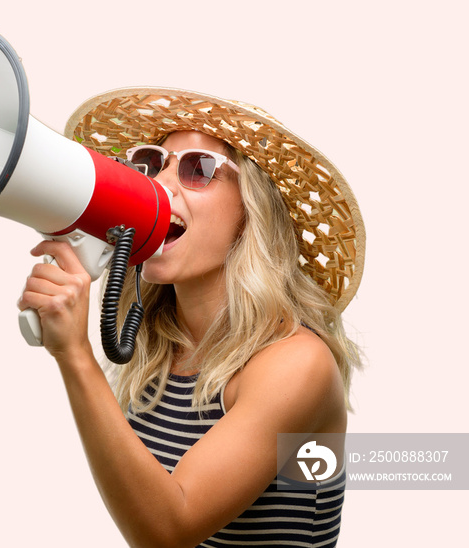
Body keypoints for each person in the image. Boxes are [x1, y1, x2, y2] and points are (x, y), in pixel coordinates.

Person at [18, 87, 365, 548]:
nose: (159, 185)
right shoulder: (159, 347)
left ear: (251, 212)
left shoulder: (296, 362)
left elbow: (170, 528)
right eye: (152, 163)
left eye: (197, 169)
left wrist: (75, 355)